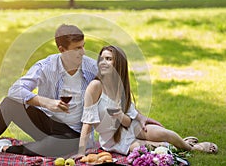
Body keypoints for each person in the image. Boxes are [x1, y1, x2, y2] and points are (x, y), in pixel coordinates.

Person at [0, 24, 98, 166]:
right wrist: (46, 102)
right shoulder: (46, 66)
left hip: (74, 135)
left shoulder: (92, 67)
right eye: (77, 48)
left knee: (50, 150)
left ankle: (3, 147)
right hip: (46, 124)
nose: (82, 52)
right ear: (62, 50)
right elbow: (15, 90)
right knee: (10, 103)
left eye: (83, 46)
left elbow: (115, 94)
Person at [76, 45, 218, 158]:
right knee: (153, 148)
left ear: (118, 64)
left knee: (165, 133)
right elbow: (87, 122)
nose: (103, 63)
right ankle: (181, 145)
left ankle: (191, 147)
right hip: (114, 140)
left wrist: (140, 117)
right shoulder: (95, 87)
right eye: (102, 59)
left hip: (132, 127)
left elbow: (128, 118)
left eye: (108, 59)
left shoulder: (120, 86)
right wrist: (81, 151)